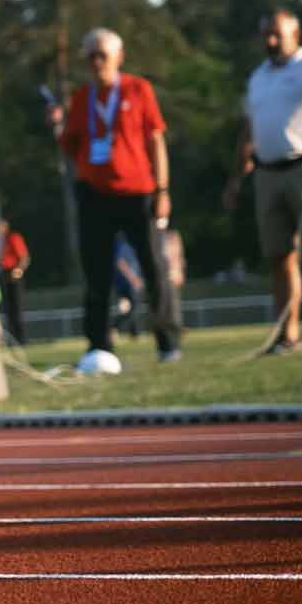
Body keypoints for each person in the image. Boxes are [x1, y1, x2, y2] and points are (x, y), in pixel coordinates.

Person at [50, 28, 183, 364]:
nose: (96, 63)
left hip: (138, 193)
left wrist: (162, 189)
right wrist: (56, 126)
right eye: (90, 56)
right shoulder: (82, 98)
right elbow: (70, 147)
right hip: (94, 195)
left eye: (102, 55)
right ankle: (98, 347)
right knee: (96, 273)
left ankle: (168, 342)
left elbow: (156, 141)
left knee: (154, 268)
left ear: (118, 57)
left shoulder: (139, 89)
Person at [221, 3, 302, 354]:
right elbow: (248, 128)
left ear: (295, 34)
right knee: (279, 257)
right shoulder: (258, 77)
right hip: (268, 172)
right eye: (266, 35)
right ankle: (288, 336)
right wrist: (235, 176)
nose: (270, 40)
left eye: (277, 34)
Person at [0, 220, 31, 344]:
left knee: (17, 308)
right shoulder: (1, 240)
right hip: (5, 274)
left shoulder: (13, 238)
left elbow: (24, 257)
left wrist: (18, 270)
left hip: (14, 274)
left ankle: (21, 338)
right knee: (9, 310)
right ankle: (13, 338)